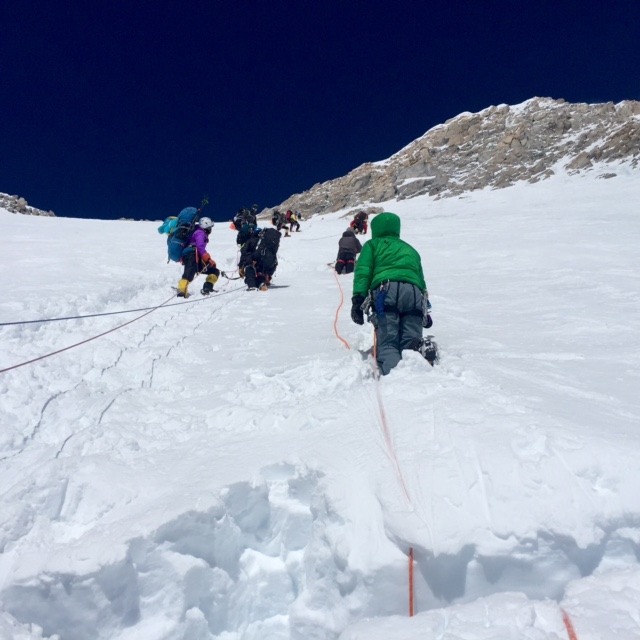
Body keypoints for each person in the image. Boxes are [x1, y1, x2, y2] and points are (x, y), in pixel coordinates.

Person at [350, 212, 432, 375]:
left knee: (388, 340)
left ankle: (393, 376)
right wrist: (426, 310)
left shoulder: (373, 245)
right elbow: (421, 281)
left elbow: (363, 272)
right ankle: (416, 366)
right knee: (411, 338)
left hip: (386, 291)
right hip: (414, 293)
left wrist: (358, 299)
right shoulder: (411, 249)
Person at [176, 217, 220, 298]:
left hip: (197, 257)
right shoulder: (200, 233)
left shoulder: (198, 232)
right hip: (191, 254)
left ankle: (207, 288)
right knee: (189, 273)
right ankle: (181, 292)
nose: (210, 229)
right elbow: (200, 247)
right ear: (205, 227)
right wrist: (208, 259)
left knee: (214, 271)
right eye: (209, 227)